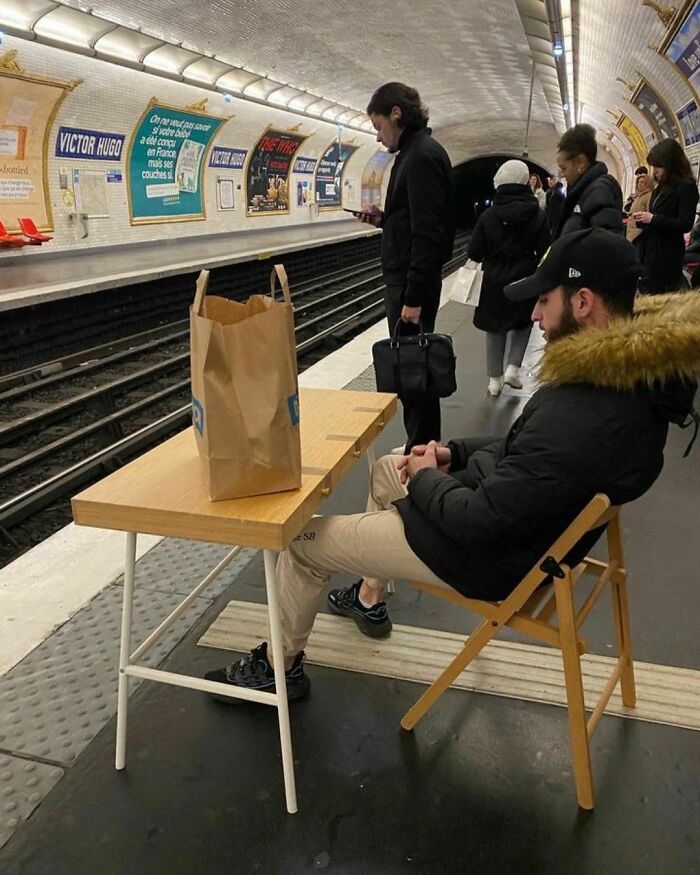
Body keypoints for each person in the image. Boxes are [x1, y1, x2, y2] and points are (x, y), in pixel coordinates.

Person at [204, 228, 699, 700]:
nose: (534, 316)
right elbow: (524, 451)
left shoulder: (585, 413)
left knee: (303, 542)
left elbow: (481, 520)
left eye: (544, 301)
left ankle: (276, 668)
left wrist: (424, 480)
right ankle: (369, 597)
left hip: (483, 558)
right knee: (388, 468)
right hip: (518, 533)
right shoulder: (618, 388)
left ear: (583, 301)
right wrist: (450, 454)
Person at [355, 82, 455, 452]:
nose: (379, 138)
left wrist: (413, 297)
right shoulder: (416, 153)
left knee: (414, 373)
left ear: (396, 114)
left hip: (410, 287)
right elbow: (412, 221)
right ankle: (423, 446)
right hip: (408, 282)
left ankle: (422, 450)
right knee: (413, 370)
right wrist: (384, 219)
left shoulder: (421, 157)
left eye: (379, 127)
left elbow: (428, 233)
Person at [467, 160, 550, 396]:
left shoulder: (489, 215)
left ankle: (494, 381)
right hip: (525, 278)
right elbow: (546, 248)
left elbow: (474, 251)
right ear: (525, 182)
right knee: (522, 322)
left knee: (495, 328)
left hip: (494, 280)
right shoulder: (537, 214)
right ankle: (513, 368)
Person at [634, 138, 699, 293]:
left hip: (667, 255)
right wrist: (643, 219)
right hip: (651, 251)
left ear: (670, 164)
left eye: (658, 166)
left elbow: (685, 224)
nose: (654, 171)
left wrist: (653, 219)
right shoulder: (661, 187)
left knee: (660, 295)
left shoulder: (686, 187)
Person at [554, 123, 623, 239]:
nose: (563, 175)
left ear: (580, 162)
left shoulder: (599, 190)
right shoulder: (585, 190)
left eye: (564, 168)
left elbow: (607, 243)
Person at [625, 173, 653, 244]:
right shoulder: (637, 196)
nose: (639, 184)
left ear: (647, 183)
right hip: (630, 230)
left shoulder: (648, 196)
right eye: (638, 182)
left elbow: (649, 211)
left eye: (642, 182)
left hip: (639, 233)